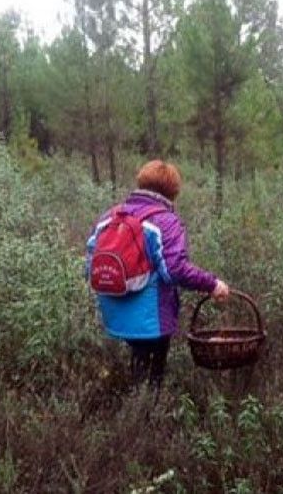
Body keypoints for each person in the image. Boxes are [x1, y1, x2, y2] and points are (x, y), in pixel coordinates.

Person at [86, 160, 230, 391]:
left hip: (114, 311)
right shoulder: (165, 221)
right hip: (151, 318)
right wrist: (213, 284)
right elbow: (175, 270)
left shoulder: (108, 217)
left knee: (138, 365)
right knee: (152, 378)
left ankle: (131, 410)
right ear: (173, 190)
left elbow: (90, 266)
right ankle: (146, 419)